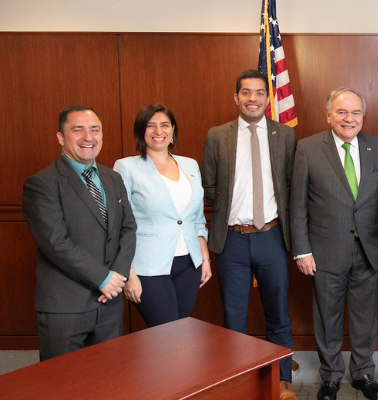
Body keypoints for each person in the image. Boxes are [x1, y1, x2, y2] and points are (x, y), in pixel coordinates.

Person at [201, 70, 297, 400]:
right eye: (245, 92)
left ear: (267, 98)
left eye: (258, 92)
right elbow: (209, 187)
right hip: (232, 240)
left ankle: (282, 383)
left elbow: (289, 185)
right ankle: (237, 384)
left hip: (272, 236)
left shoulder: (285, 135)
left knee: (278, 314)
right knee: (233, 317)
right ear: (236, 97)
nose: (252, 98)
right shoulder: (217, 136)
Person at [290, 87, 378, 400]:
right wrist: (302, 250)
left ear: (363, 116)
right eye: (342, 112)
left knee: (364, 318)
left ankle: (363, 373)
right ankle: (330, 376)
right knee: (327, 317)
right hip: (324, 251)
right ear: (328, 115)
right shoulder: (307, 148)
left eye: (356, 112)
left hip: (369, 250)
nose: (349, 118)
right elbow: (297, 205)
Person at [22, 105, 137, 361]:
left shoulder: (112, 178)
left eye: (95, 130)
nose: (88, 137)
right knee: (62, 387)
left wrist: (117, 277)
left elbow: (128, 229)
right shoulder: (41, 184)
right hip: (65, 307)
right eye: (78, 130)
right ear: (61, 137)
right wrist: (103, 278)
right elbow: (56, 243)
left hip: (110, 305)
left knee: (107, 381)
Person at [113, 103, 211, 327]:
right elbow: (119, 225)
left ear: (173, 130)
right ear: (141, 131)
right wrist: (128, 273)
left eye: (165, 125)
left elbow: (197, 219)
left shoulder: (190, 165)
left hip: (189, 265)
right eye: (151, 126)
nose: (159, 131)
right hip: (147, 267)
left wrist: (204, 259)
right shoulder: (126, 167)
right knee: (166, 334)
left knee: (181, 331)